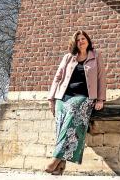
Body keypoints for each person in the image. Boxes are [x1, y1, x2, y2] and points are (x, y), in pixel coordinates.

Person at [45, 30, 106, 175]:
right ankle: (60, 166)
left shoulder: (96, 56)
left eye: (83, 38)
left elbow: (101, 79)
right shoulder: (68, 58)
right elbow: (57, 78)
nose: (81, 41)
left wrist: (100, 99)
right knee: (61, 126)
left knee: (72, 113)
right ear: (75, 43)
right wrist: (51, 98)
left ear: (88, 40)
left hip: (84, 96)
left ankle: (55, 159)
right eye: (78, 40)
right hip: (63, 95)